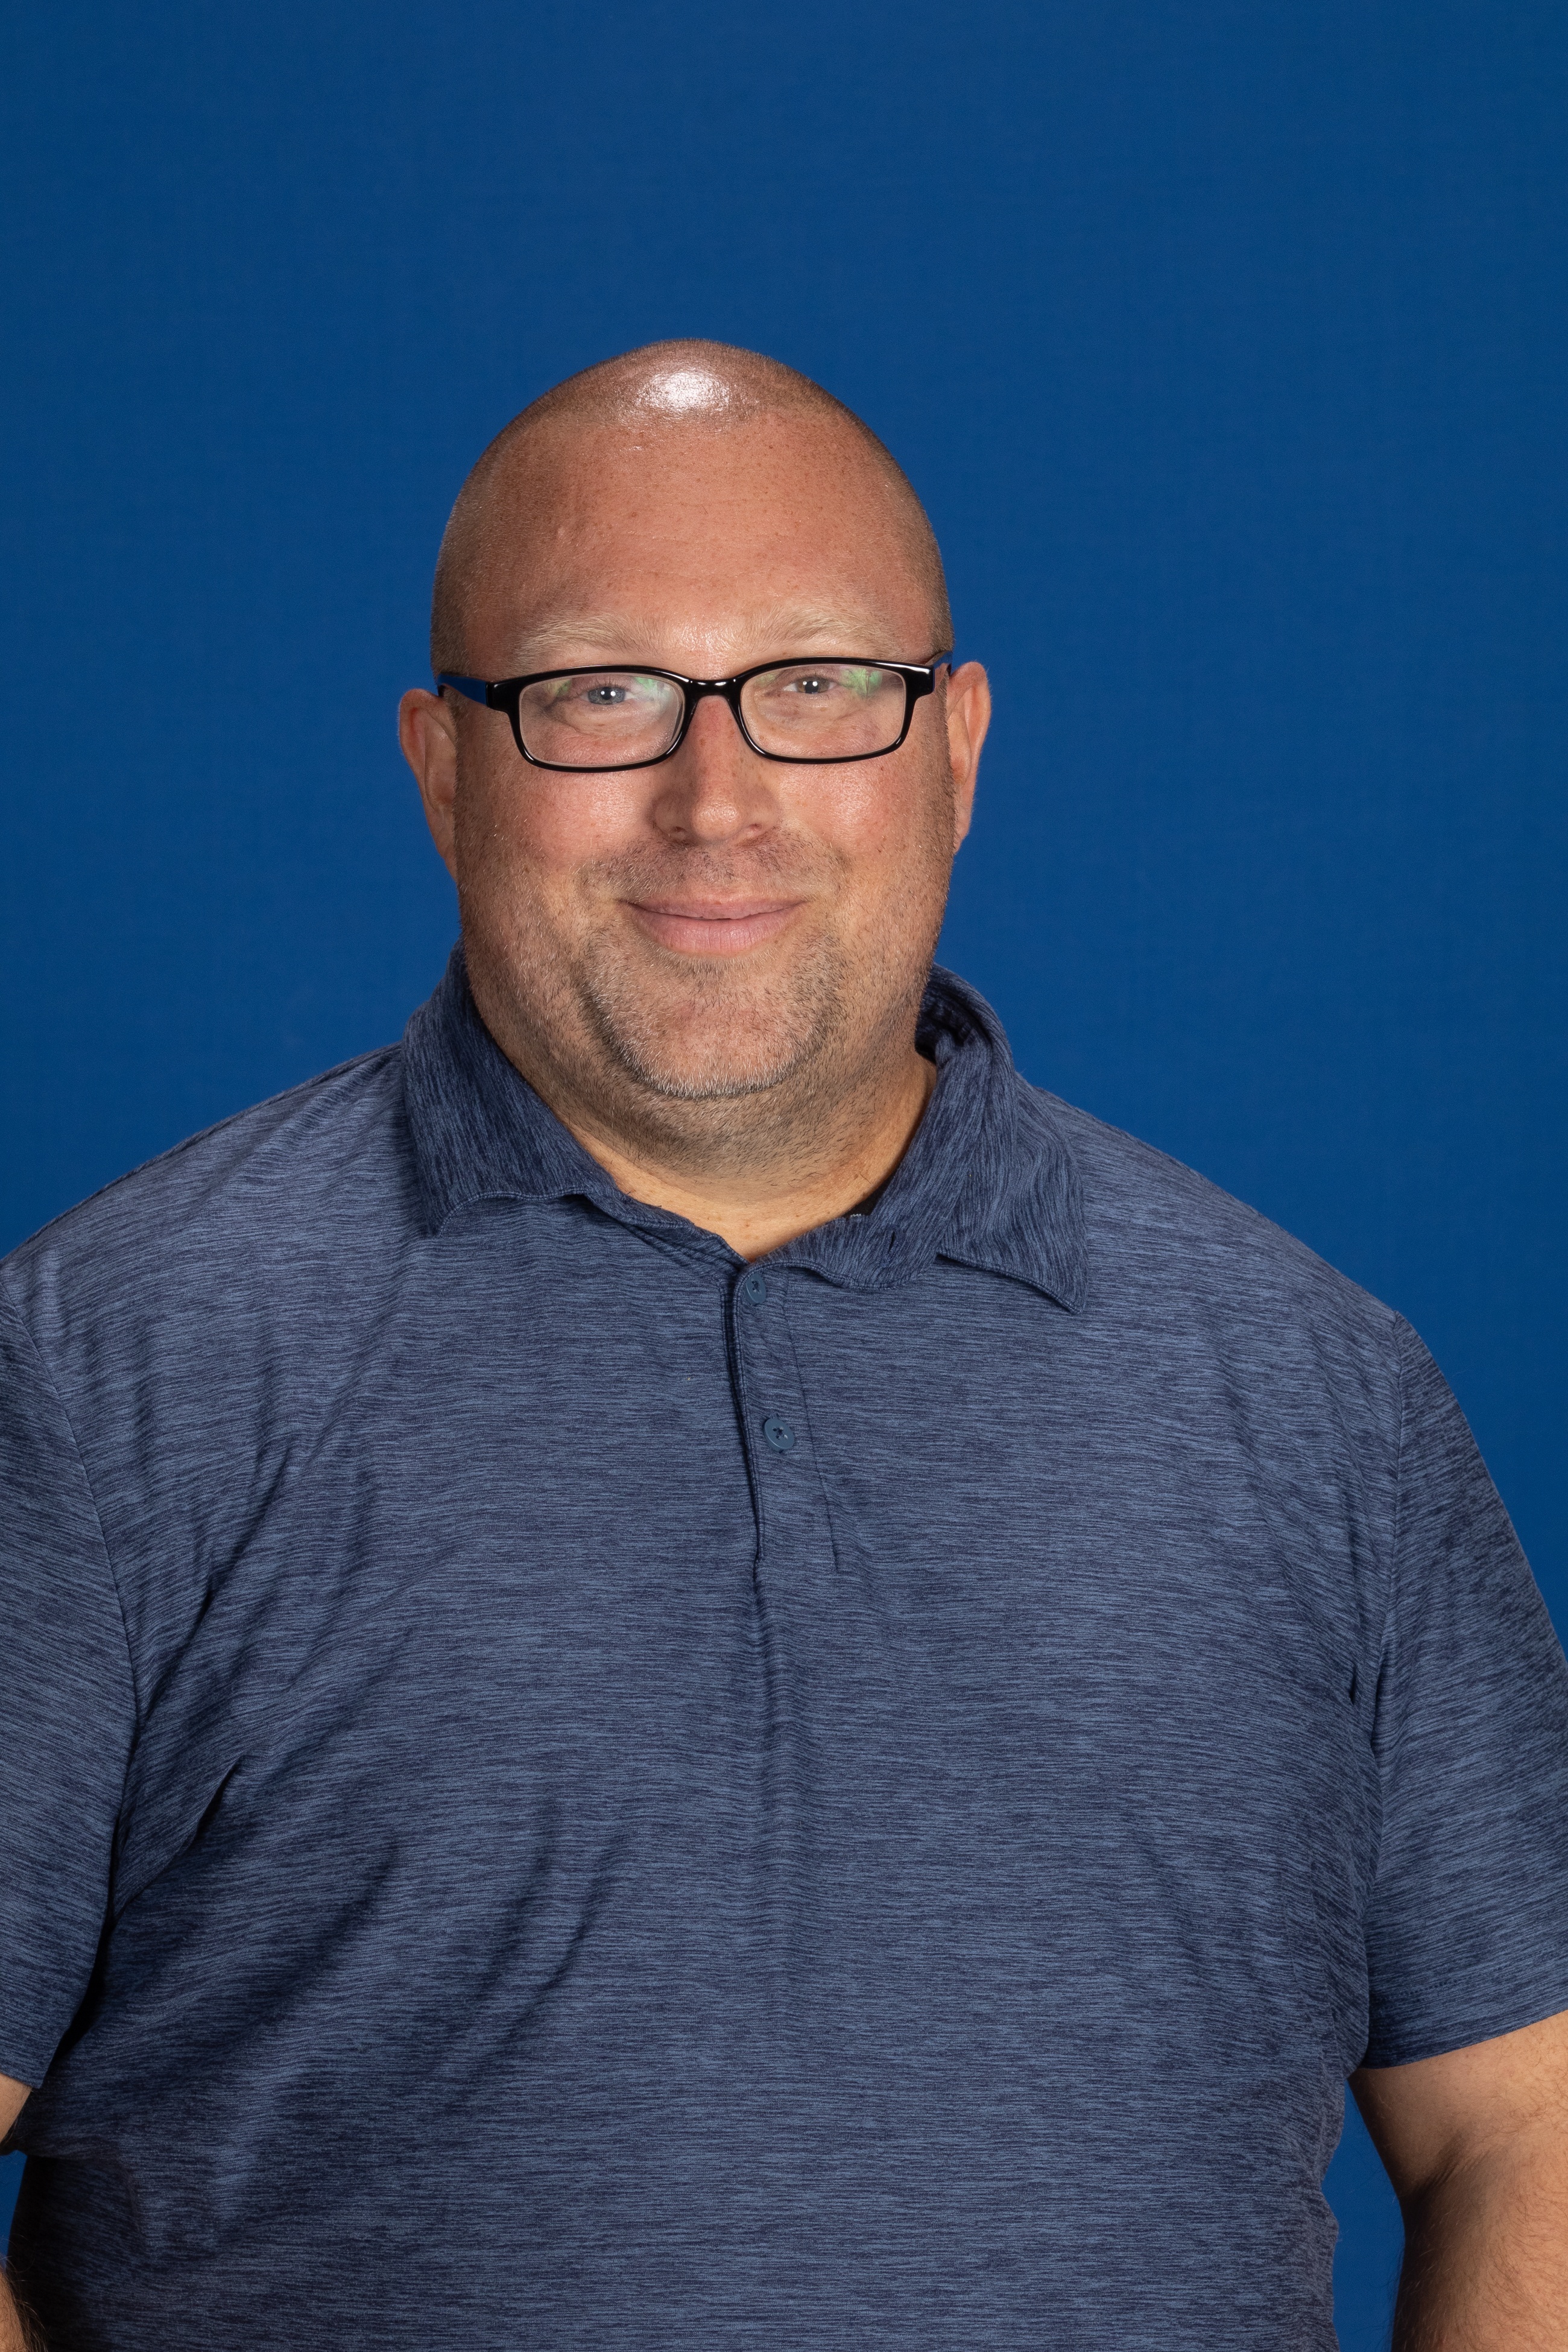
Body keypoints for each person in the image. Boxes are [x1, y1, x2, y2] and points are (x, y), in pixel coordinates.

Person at [1, 340, 1566, 2352]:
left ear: (957, 746)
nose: (717, 801)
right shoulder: (100, 1379)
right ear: (443, 765)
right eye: (601, 693)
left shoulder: (1318, 1396)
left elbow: (1527, 2117)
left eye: (818, 684)